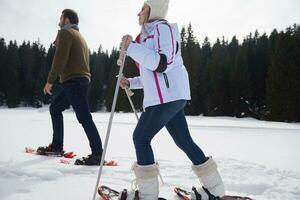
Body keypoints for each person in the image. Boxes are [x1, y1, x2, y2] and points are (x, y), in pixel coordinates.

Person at [119, 0, 225, 199]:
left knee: (141, 138)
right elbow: (152, 76)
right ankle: (215, 188)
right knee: (183, 140)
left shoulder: (163, 29)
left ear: (153, 9)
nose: (138, 12)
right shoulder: (147, 36)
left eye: (143, 7)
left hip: (166, 98)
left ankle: (147, 195)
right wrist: (131, 82)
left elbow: (161, 64)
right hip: (169, 96)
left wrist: (131, 47)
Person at [38, 9, 103, 166]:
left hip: (74, 81)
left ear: (67, 20)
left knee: (84, 117)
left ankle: (97, 154)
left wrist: (50, 80)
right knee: (55, 108)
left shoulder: (66, 34)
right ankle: (57, 146)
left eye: (60, 18)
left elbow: (60, 59)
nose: (59, 21)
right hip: (78, 81)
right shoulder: (80, 36)